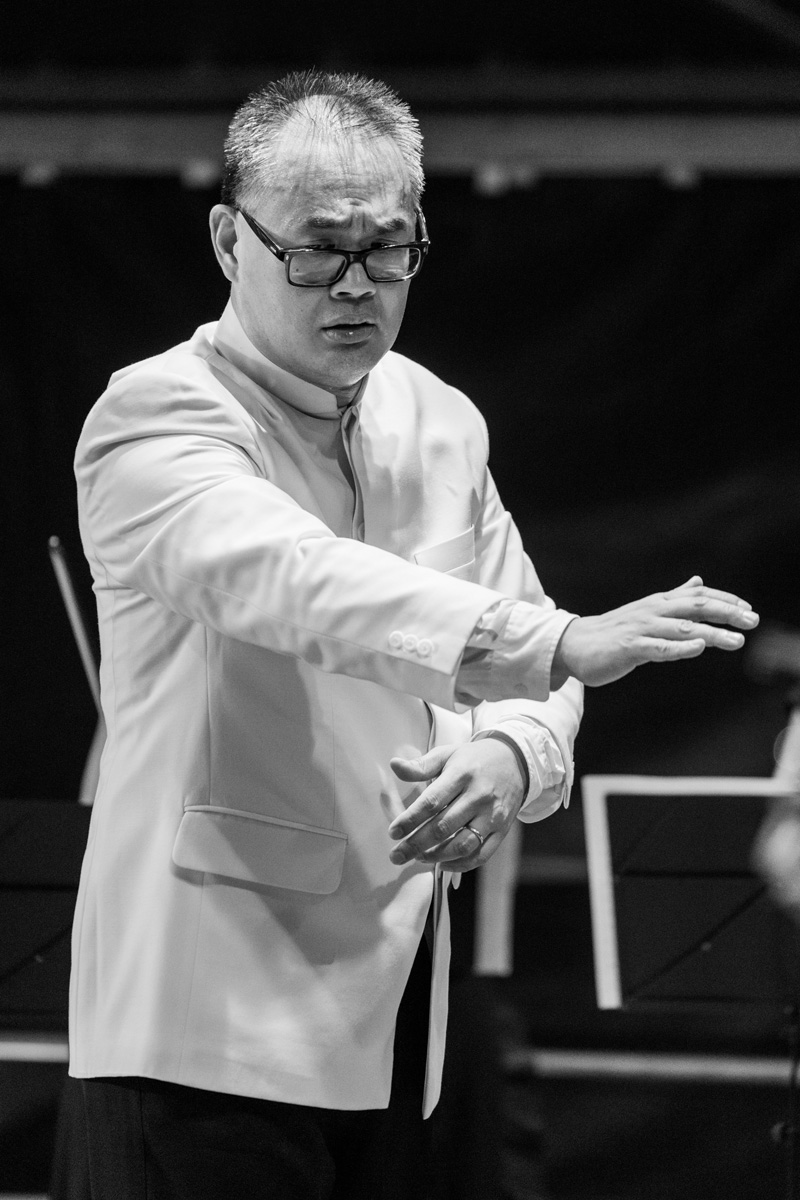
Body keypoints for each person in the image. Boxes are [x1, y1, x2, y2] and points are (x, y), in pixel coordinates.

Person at [69, 70, 759, 1200]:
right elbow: (301, 581)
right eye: (317, 250)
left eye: (388, 249)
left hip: (401, 1016)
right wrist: (551, 645)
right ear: (229, 240)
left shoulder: (436, 417)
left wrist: (509, 752)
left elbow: (529, 635)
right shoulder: (156, 413)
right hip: (203, 1019)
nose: (356, 285)